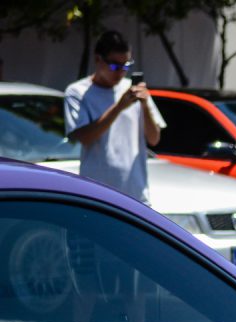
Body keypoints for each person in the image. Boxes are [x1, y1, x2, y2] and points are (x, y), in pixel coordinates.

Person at [64, 30, 165, 204]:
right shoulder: (77, 92)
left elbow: (154, 139)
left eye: (126, 66)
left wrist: (145, 105)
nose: (120, 73)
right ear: (98, 60)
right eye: (114, 66)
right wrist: (118, 108)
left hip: (136, 194)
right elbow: (85, 138)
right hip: (97, 196)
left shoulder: (133, 90)